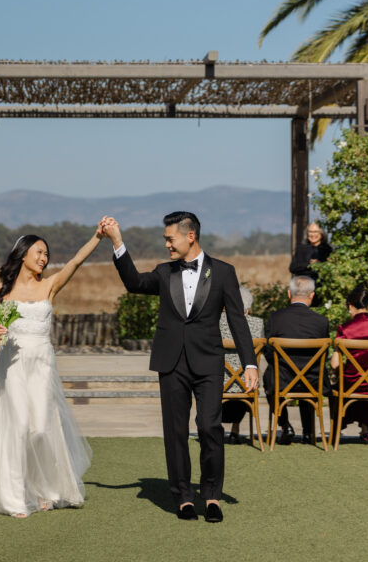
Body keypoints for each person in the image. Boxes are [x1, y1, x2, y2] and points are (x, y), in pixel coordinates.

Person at [100, 211, 257, 524]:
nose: (166, 245)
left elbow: (237, 320)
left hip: (209, 361)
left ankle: (211, 495)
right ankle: (183, 497)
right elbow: (133, 282)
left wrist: (250, 362)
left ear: (190, 236)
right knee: (175, 433)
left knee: (210, 426)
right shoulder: (163, 272)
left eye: (170, 239)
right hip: (171, 363)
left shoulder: (224, 272)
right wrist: (117, 241)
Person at [0, 225, 104, 517]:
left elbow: (76, 261)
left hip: (41, 364)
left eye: (46, 254)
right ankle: (14, 497)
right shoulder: (3, 290)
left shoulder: (50, 285)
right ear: (23, 254)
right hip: (12, 364)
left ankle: (41, 488)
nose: (44, 257)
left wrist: (97, 237)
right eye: (39, 252)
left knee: (39, 428)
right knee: (17, 428)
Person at [263, 274, 330, 444]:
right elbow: (324, 355)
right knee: (309, 369)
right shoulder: (321, 322)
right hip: (313, 380)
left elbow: (268, 352)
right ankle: (308, 433)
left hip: (282, 379)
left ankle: (285, 425)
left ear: (288, 294)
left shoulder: (275, 318)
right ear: (312, 295)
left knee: (269, 376)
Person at [329, 284, 368, 443]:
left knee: (339, 386)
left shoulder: (345, 328)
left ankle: (337, 429)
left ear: (350, 306)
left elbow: (335, 365)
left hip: (351, 384)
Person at [219, 285, 264, 443]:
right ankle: (235, 430)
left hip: (218, 383)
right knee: (244, 378)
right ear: (248, 308)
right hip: (246, 383)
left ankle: (216, 426)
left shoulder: (215, 322)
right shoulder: (258, 324)